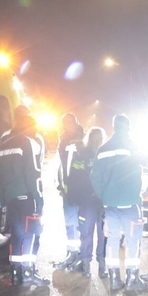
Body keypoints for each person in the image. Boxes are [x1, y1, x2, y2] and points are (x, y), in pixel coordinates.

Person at [90, 114, 148, 292]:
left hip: (110, 204)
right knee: (132, 241)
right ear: (128, 127)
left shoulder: (103, 148)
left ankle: (114, 279)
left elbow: (95, 177)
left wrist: (104, 196)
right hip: (130, 202)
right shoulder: (132, 145)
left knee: (112, 240)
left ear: (114, 127)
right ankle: (132, 279)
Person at [0, 113, 49, 286]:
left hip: (11, 198)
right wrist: (38, 199)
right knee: (31, 234)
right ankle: (28, 273)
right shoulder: (27, 142)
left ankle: (16, 272)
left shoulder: (5, 143)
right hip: (27, 197)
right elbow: (33, 174)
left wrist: (1, 197)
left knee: (17, 235)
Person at [67, 126, 108, 278]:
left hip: (94, 201)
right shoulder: (83, 154)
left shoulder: (103, 155)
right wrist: (74, 196)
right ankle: (90, 265)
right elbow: (74, 176)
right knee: (92, 234)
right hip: (94, 200)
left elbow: (74, 177)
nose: (98, 141)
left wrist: (74, 197)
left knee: (93, 234)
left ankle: (91, 266)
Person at [55, 112, 83, 270]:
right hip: (68, 190)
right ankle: (72, 253)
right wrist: (60, 184)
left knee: (78, 224)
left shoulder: (80, 140)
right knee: (70, 224)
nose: (66, 126)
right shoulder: (64, 139)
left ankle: (79, 256)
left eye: (68, 123)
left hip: (78, 190)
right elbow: (62, 166)